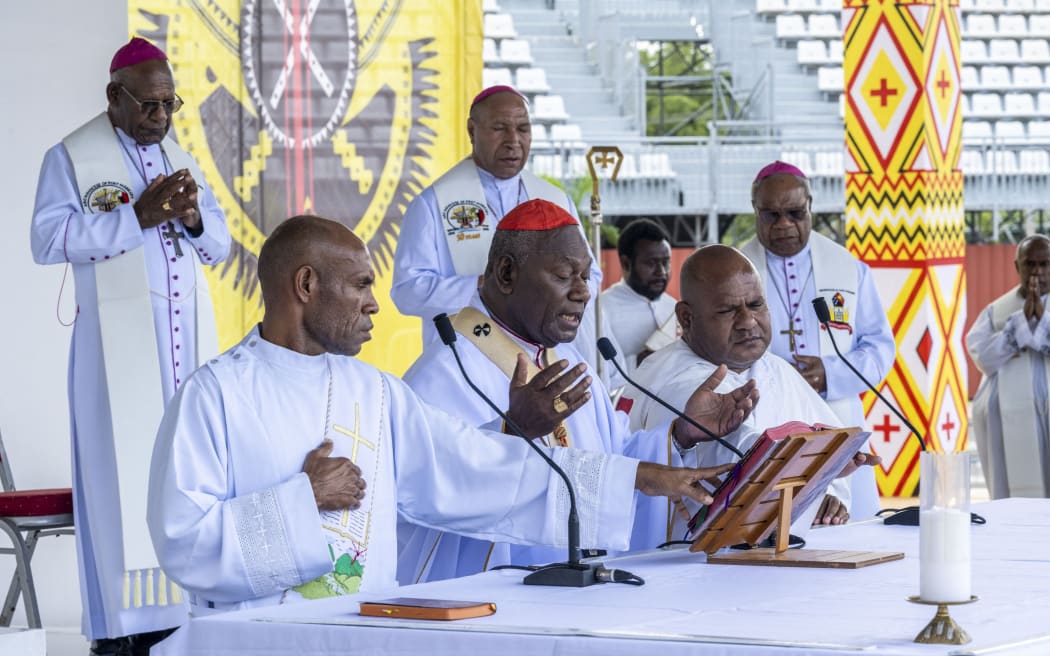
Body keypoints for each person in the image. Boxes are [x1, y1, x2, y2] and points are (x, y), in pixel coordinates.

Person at [146, 215, 740, 614]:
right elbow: (183, 541)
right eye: (360, 285)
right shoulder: (216, 394)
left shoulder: (373, 391)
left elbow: (468, 464)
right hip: (258, 640)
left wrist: (637, 475)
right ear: (306, 284)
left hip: (362, 630)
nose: (377, 303)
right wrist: (304, 500)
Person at [397, 200, 758, 581]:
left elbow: (616, 453)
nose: (583, 292)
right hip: (495, 603)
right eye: (565, 275)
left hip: (582, 590)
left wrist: (682, 434)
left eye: (586, 276)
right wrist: (511, 431)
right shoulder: (445, 374)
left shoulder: (563, 358)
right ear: (506, 273)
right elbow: (434, 491)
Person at [30, 38, 230, 655]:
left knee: (187, 480)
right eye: (148, 105)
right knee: (117, 491)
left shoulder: (177, 155)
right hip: (114, 365)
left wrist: (194, 220)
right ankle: (122, 637)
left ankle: (184, 622)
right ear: (114, 97)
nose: (161, 118)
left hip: (183, 356)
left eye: (170, 105)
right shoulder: (70, 158)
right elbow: (46, 239)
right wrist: (134, 218)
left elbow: (218, 248)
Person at [627, 245, 875, 544]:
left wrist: (826, 486)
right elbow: (739, 453)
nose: (748, 321)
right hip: (691, 564)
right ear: (687, 318)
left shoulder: (775, 368)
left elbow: (823, 443)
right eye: (728, 310)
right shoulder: (678, 379)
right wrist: (808, 479)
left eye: (756, 305)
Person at [390, 85, 622, 383]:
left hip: (544, 359)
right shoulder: (433, 203)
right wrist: (483, 287)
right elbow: (407, 291)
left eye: (523, 129)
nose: (514, 141)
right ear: (472, 130)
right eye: (500, 128)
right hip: (468, 366)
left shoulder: (554, 200)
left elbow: (592, 277)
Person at [739, 161, 895, 519]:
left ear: (810, 207)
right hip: (762, 422)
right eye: (771, 215)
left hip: (837, 416)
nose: (783, 225)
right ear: (755, 212)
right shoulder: (735, 268)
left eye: (795, 213)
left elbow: (879, 345)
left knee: (849, 537)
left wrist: (831, 372)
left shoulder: (847, 267)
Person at [967, 234, 1050, 498]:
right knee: (1009, 496)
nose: (1037, 271)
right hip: (1004, 417)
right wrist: (1019, 327)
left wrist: (1042, 323)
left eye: (1045, 264)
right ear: (1017, 266)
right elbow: (981, 355)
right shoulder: (997, 311)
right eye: (1030, 264)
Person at [600, 219, 678, 376]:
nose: (661, 271)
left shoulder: (674, 307)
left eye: (666, 262)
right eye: (651, 263)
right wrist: (637, 362)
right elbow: (595, 371)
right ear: (626, 263)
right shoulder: (601, 310)